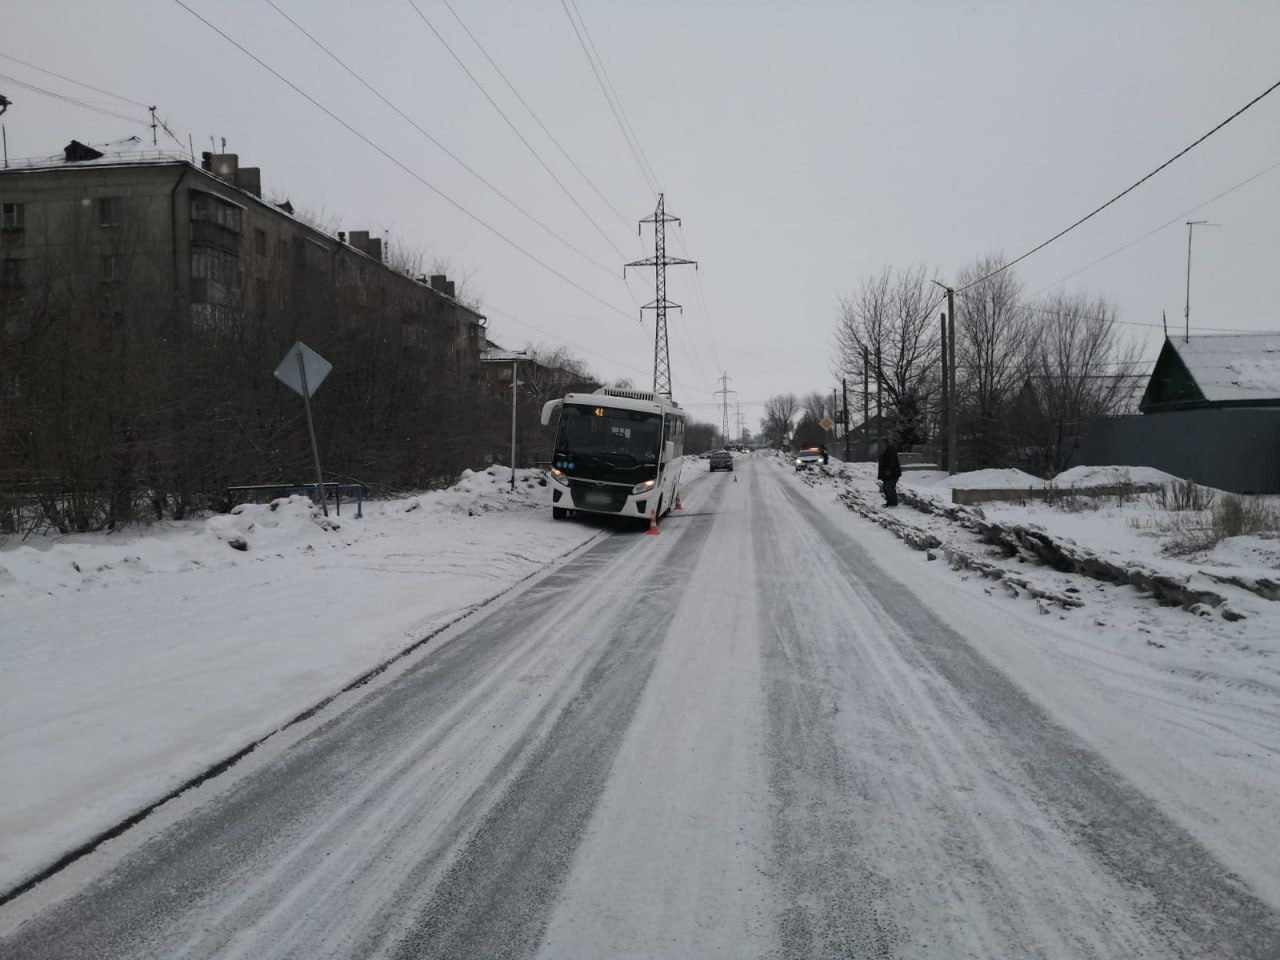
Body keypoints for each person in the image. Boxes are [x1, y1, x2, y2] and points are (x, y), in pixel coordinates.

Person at [878, 440, 901, 506]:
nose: (881, 445)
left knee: (888, 487)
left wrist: (888, 470)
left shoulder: (891, 451)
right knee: (887, 487)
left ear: (886, 444)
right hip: (888, 474)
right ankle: (890, 502)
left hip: (892, 473)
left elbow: (892, 461)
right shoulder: (885, 451)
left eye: (882, 444)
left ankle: (893, 503)